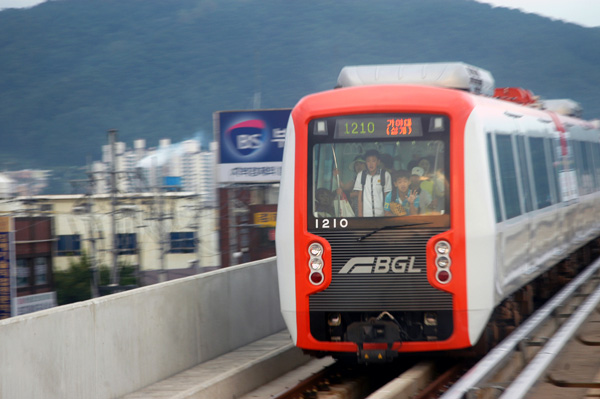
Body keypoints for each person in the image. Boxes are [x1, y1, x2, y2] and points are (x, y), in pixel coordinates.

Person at [353, 149, 392, 217]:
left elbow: (387, 197)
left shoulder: (385, 175)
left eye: (373, 161)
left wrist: (386, 213)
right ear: (366, 162)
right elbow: (360, 197)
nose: (371, 164)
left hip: (381, 215)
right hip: (366, 216)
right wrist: (360, 215)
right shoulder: (361, 175)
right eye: (368, 161)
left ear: (378, 162)